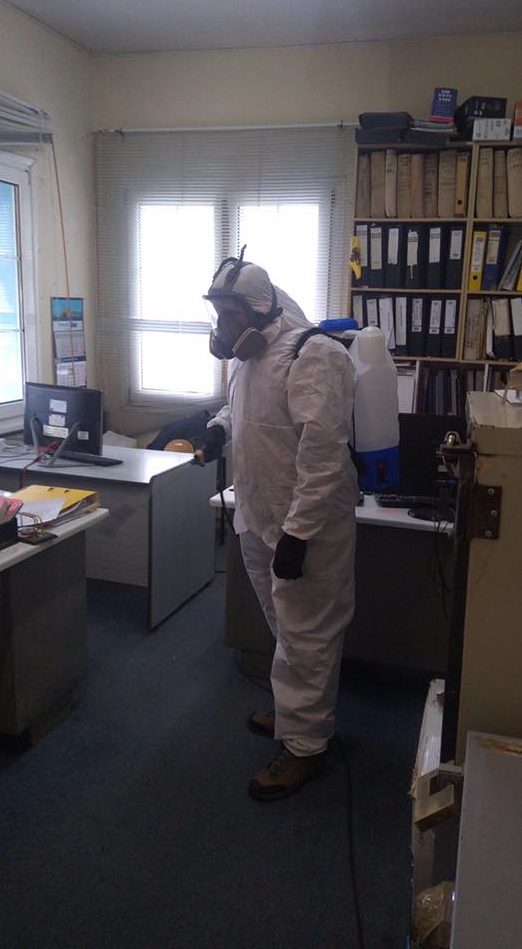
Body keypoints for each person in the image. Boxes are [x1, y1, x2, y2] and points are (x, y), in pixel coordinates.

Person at [199, 251, 359, 802]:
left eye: (231, 315)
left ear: (262, 308)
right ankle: (295, 714)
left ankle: (305, 748)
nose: (223, 327)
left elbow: (324, 454)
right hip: (259, 514)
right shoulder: (251, 355)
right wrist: (218, 429)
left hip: (304, 527)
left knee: (308, 634)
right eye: (219, 314)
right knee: (283, 624)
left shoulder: (315, 355)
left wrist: (299, 533)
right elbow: (247, 410)